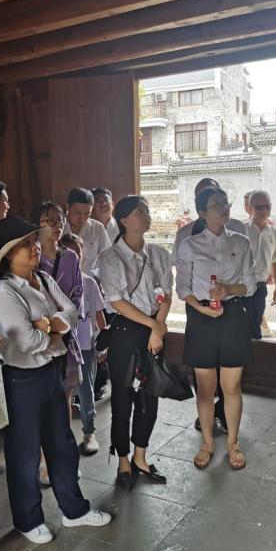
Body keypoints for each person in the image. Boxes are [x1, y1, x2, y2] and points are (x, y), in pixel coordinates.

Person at [0, 216, 111, 545]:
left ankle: (74, 509)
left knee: (62, 443)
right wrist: (52, 331)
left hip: (51, 371)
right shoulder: (4, 291)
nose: (35, 247)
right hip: (22, 379)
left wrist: (48, 325)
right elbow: (27, 341)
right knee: (25, 452)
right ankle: (28, 520)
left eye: (33, 241)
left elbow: (71, 310)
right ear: (7, 255)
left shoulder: (42, 277)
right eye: (25, 244)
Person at [176, 188, 255, 470]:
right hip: (201, 316)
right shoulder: (189, 245)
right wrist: (200, 309)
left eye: (225, 203)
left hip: (232, 316)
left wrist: (229, 289)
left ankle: (233, 443)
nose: (224, 208)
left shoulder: (241, 242)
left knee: (231, 386)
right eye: (216, 204)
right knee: (205, 388)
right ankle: (207, 442)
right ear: (201, 213)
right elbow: (182, 287)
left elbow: (251, 284)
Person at [97, 196, 172, 492]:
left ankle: (141, 456)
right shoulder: (110, 257)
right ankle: (123, 460)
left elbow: (166, 294)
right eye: (140, 211)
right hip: (126, 331)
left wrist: (158, 328)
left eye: (147, 210)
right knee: (122, 397)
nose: (147, 215)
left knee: (149, 395)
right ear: (124, 220)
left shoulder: (159, 254)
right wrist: (154, 326)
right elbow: (116, 301)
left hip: (154, 330)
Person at [32, 202, 87, 465]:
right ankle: (45, 458)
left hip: (65, 335)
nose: (57, 225)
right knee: (42, 400)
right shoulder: (31, 258)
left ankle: (62, 454)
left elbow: (77, 295)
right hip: (39, 337)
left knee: (64, 397)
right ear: (37, 225)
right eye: (50, 220)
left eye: (60, 220)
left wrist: (64, 323)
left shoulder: (70, 257)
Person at [60, 233, 106, 456]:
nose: (74, 256)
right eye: (68, 252)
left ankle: (89, 432)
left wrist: (104, 343)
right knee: (63, 391)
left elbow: (99, 315)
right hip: (62, 346)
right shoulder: (53, 281)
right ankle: (62, 434)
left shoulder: (89, 282)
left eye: (77, 252)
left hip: (86, 345)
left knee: (86, 389)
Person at [244, 190, 276, 340]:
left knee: (255, 325)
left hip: (260, 287)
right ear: (250, 208)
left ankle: (252, 351)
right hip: (240, 285)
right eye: (259, 207)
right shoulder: (242, 230)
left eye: (267, 206)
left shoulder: (275, 233)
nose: (264, 211)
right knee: (241, 325)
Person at [63, 187, 111, 275]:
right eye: (77, 213)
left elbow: (108, 260)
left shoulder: (97, 228)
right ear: (68, 207)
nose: (82, 218)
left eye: (87, 214)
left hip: (90, 281)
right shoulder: (58, 227)